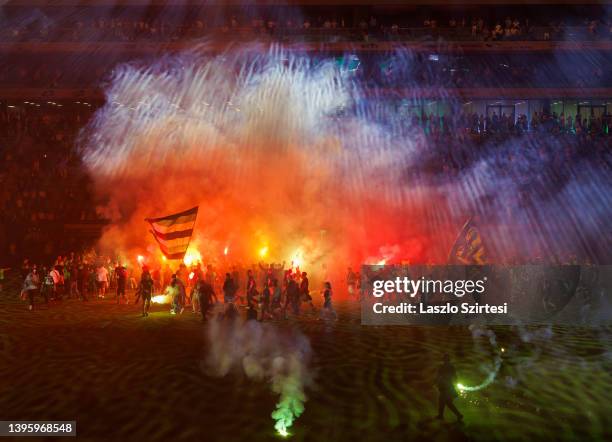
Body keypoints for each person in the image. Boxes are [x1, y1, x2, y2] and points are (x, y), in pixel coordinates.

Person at [435, 354, 463, 421]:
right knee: (446, 402)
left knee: (443, 401)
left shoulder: (445, 367)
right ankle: (457, 415)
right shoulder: (449, 367)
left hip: (446, 387)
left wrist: (436, 382)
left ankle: (441, 416)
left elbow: (439, 376)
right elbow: (455, 376)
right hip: (447, 386)